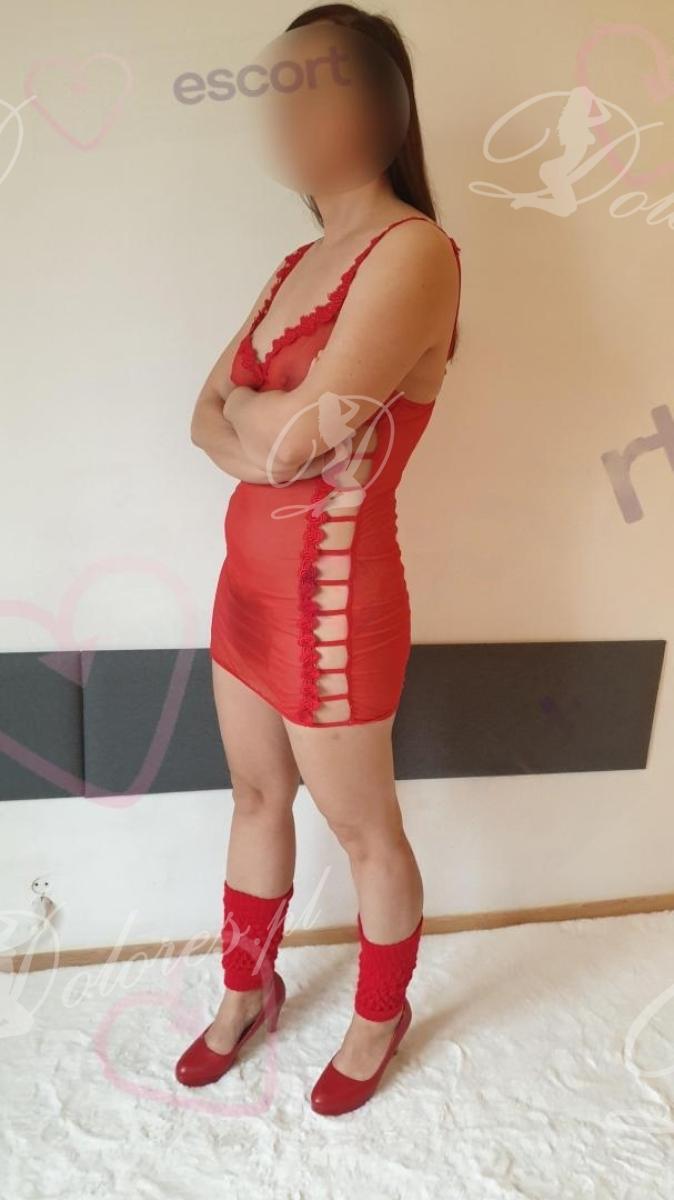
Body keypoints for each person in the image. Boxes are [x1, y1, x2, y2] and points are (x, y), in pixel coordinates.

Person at [177, 2, 462, 1116]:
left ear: (382, 112)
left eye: (318, 87)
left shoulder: (415, 250)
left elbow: (288, 439)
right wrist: (265, 426)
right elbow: (202, 419)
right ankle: (247, 989)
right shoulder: (296, 262)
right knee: (255, 794)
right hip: (243, 594)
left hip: (332, 601)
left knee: (361, 828)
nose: (286, 113)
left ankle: (380, 1015)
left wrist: (263, 424)